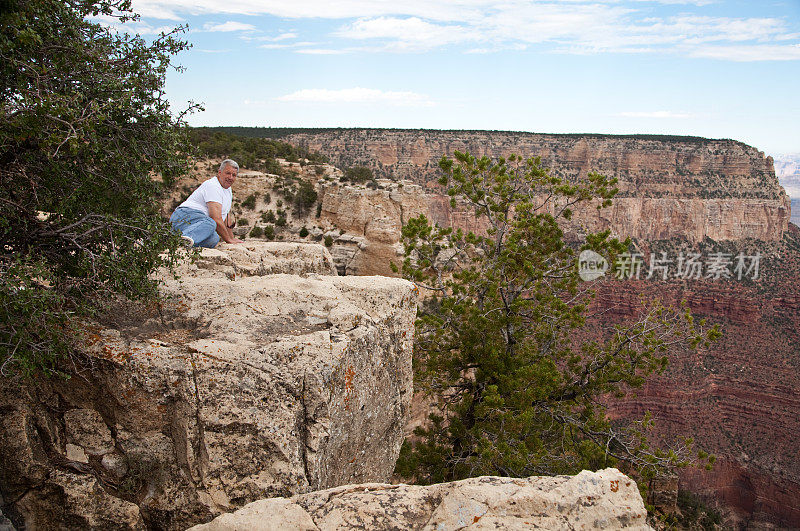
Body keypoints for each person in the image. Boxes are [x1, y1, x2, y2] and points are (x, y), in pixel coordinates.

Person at [170, 159, 244, 247]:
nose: (230, 177)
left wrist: (231, 238)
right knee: (211, 223)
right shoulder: (213, 186)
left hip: (197, 223)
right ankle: (180, 239)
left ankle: (184, 242)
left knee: (214, 238)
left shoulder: (228, 190)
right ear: (219, 172)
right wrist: (228, 240)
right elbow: (215, 218)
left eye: (234, 175)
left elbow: (225, 217)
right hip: (184, 216)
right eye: (228, 173)